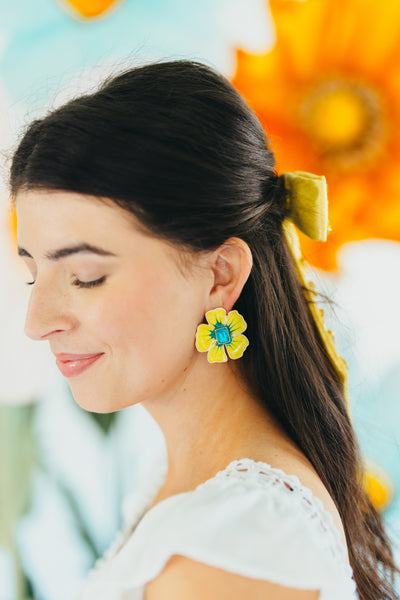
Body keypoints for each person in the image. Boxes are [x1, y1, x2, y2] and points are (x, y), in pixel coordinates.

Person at [8, 59, 400, 600]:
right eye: (33, 275)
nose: (37, 322)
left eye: (85, 277)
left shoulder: (237, 544)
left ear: (220, 276)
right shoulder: (189, 487)